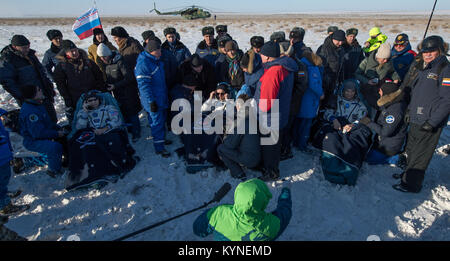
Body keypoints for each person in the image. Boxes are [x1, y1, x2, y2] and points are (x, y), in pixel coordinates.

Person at [393, 36, 450, 193]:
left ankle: (411, 184)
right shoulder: (425, 67)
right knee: (411, 149)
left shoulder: (444, 69)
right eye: (425, 52)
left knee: (421, 154)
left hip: (430, 120)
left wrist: (433, 122)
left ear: (440, 50)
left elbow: (447, 101)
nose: (428, 54)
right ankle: (406, 175)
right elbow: (417, 92)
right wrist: (410, 110)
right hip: (416, 117)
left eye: (432, 51)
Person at [193, 178, 292, 241]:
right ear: (263, 201)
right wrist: (286, 192)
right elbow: (285, 211)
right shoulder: (270, 226)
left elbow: (198, 229)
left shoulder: (219, 212)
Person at [255, 41, 298, 181]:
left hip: (270, 116)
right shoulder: (285, 66)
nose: (260, 56)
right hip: (281, 112)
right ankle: (271, 167)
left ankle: (271, 172)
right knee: (274, 144)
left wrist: (256, 109)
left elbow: (266, 103)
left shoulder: (274, 72)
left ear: (267, 57)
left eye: (261, 54)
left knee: (269, 147)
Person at [0, 35, 57, 123]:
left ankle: (55, 134)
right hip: (28, 98)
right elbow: (7, 82)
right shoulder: (8, 59)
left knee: (51, 118)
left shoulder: (30, 55)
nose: (27, 49)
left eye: (28, 46)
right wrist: (23, 96)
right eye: (24, 47)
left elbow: (41, 72)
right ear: (14, 47)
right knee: (37, 121)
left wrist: (48, 87)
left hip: (42, 93)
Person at [18, 85, 67, 178]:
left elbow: (48, 123)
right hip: (32, 140)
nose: (41, 91)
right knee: (54, 147)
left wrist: (58, 128)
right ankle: (53, 170)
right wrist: (56, 134)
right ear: (34, 95)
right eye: (39, 90)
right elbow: (37, 133)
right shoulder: (30, 112)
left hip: (41, 134)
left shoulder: (37, 104)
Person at [97, 43, 142, 142]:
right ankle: (130, 129)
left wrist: (115, 85)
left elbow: (129, 77)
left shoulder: (120, 62)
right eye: (101, 58)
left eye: (104, 57)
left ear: (108, 54)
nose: (103, 59)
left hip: (128, 93)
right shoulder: (107, 65)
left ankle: (137, 132)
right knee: (124, 112)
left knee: (132, 113)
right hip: (118, 94)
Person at [53, 40, 106, 124]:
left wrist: (101, 91)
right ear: (66, 53)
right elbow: (61, 85)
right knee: (81, 122)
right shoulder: (62, 66)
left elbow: (99, 77)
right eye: (71, 51)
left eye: (75, 50)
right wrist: (68, 100)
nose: (74, 53)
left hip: (93, 97)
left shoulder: (88, 62)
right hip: (76, 100)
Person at [135, 40, 170, 157]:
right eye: (157, 50)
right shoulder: (144, 64)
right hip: (153, 100)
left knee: (162, 120)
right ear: (151, 51)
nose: (160, 52)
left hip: (161, 97)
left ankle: (162, 140)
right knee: (156, 123)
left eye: (160, 49)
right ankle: (159, 147)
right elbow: (144, 86)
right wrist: (151, 102)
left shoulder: (155, 60)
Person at [360, 82, 407, 166]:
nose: (379, 92)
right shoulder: (391, 101)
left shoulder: (395, 111)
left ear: (387, 93)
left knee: (368, 159)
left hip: (389, 146)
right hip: (382, 141)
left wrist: (369, 123)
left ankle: (395, 159)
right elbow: (376, 104)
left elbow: (385, 132)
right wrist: (365, 90)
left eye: (380, 91)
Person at [216, 94, 260, 179]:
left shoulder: (241, 121)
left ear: (238, 106)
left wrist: (226, 135)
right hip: (257, 156)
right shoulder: (253, 115)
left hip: (250, 160)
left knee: (221, 148)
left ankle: (238, 173)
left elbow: (230, 145)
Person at [355, 43, 400, 117]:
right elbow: (357, 74)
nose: (385, 61)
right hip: (366, 89)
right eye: (384, 59)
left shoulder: (388, 63)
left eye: (387, 59)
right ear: (378, 56)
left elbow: (393, 72)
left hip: (380, 90)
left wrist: (396, 79)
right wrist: (367, 81)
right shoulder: (367, 61)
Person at [0, 108, 30, 216]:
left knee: (5, 176)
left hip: (4, 151)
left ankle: (3, 193)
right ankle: (4, 206)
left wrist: (3, 113)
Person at [294, 52, 324, 152]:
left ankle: (295, 142)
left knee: (298, 124)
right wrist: (321, 93)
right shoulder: (312, 68)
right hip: (309, 101)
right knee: (306, 125)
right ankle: (302, 145)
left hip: (300, 100)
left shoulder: (301, 65)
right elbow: (314, 84)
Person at [317, 30, 346, 108]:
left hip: (334, 82)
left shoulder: (341, 50)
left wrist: (341, 80)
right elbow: (318, 68)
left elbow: (341, 67)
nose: (340, 43)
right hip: (324, 83)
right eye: (338, 41)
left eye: (342, 41)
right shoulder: (324, 49)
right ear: (333, 38)